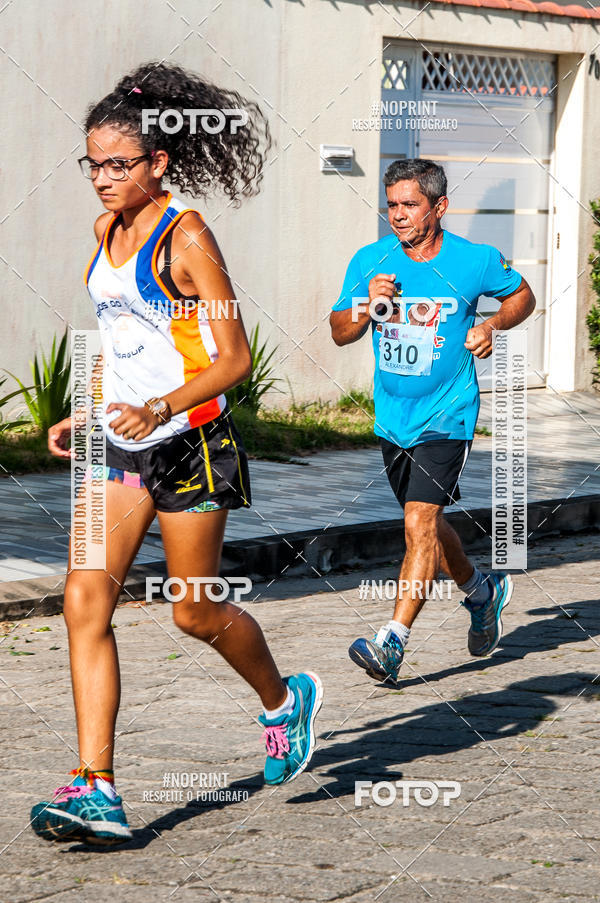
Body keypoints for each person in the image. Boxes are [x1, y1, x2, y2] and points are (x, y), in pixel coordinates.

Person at [31, 62, 322, 846]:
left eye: (118, 164)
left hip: (191, 443)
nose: (101, 179)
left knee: (193, 608)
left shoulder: (185, 234)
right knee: (84, 601)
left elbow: (231, 359)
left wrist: (160, 405)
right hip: (117, 447)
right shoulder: (106, 230)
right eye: (92, 162)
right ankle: (97, 786)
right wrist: (85, 410)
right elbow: (122, 341)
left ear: (159, 162)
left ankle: (283, 698)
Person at [330, 159, 535, 685]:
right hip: (393, 417)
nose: (397, 215)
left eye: (409, 205)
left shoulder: (473, 260)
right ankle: (482, 592)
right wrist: (367, 305)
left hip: (449, 412)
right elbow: (338, 331)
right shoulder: (370, 260)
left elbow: (522, 296)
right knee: (429, 524)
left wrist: (491, 325)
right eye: (391, 204)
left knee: (418, 523)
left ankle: (392, 642)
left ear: (439, 207)